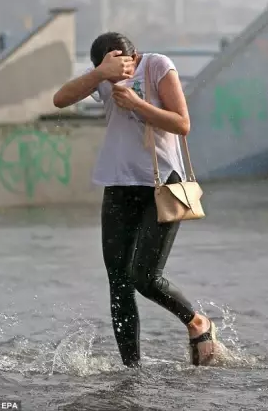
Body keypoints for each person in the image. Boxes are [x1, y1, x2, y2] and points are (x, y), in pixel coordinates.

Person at [52, 32, 219, 368]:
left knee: (145, 277)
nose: (121, 74)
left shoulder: (158, 66)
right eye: (112, 68)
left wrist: (138, 104)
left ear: (135, 56)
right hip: (118, 183)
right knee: (118, 280)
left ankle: (198, 322)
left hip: (162, 183)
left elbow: (182, 124)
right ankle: (132, 368)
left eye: (125, 65)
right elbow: (59, 99)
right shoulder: (102, 76)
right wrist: (101, 74)